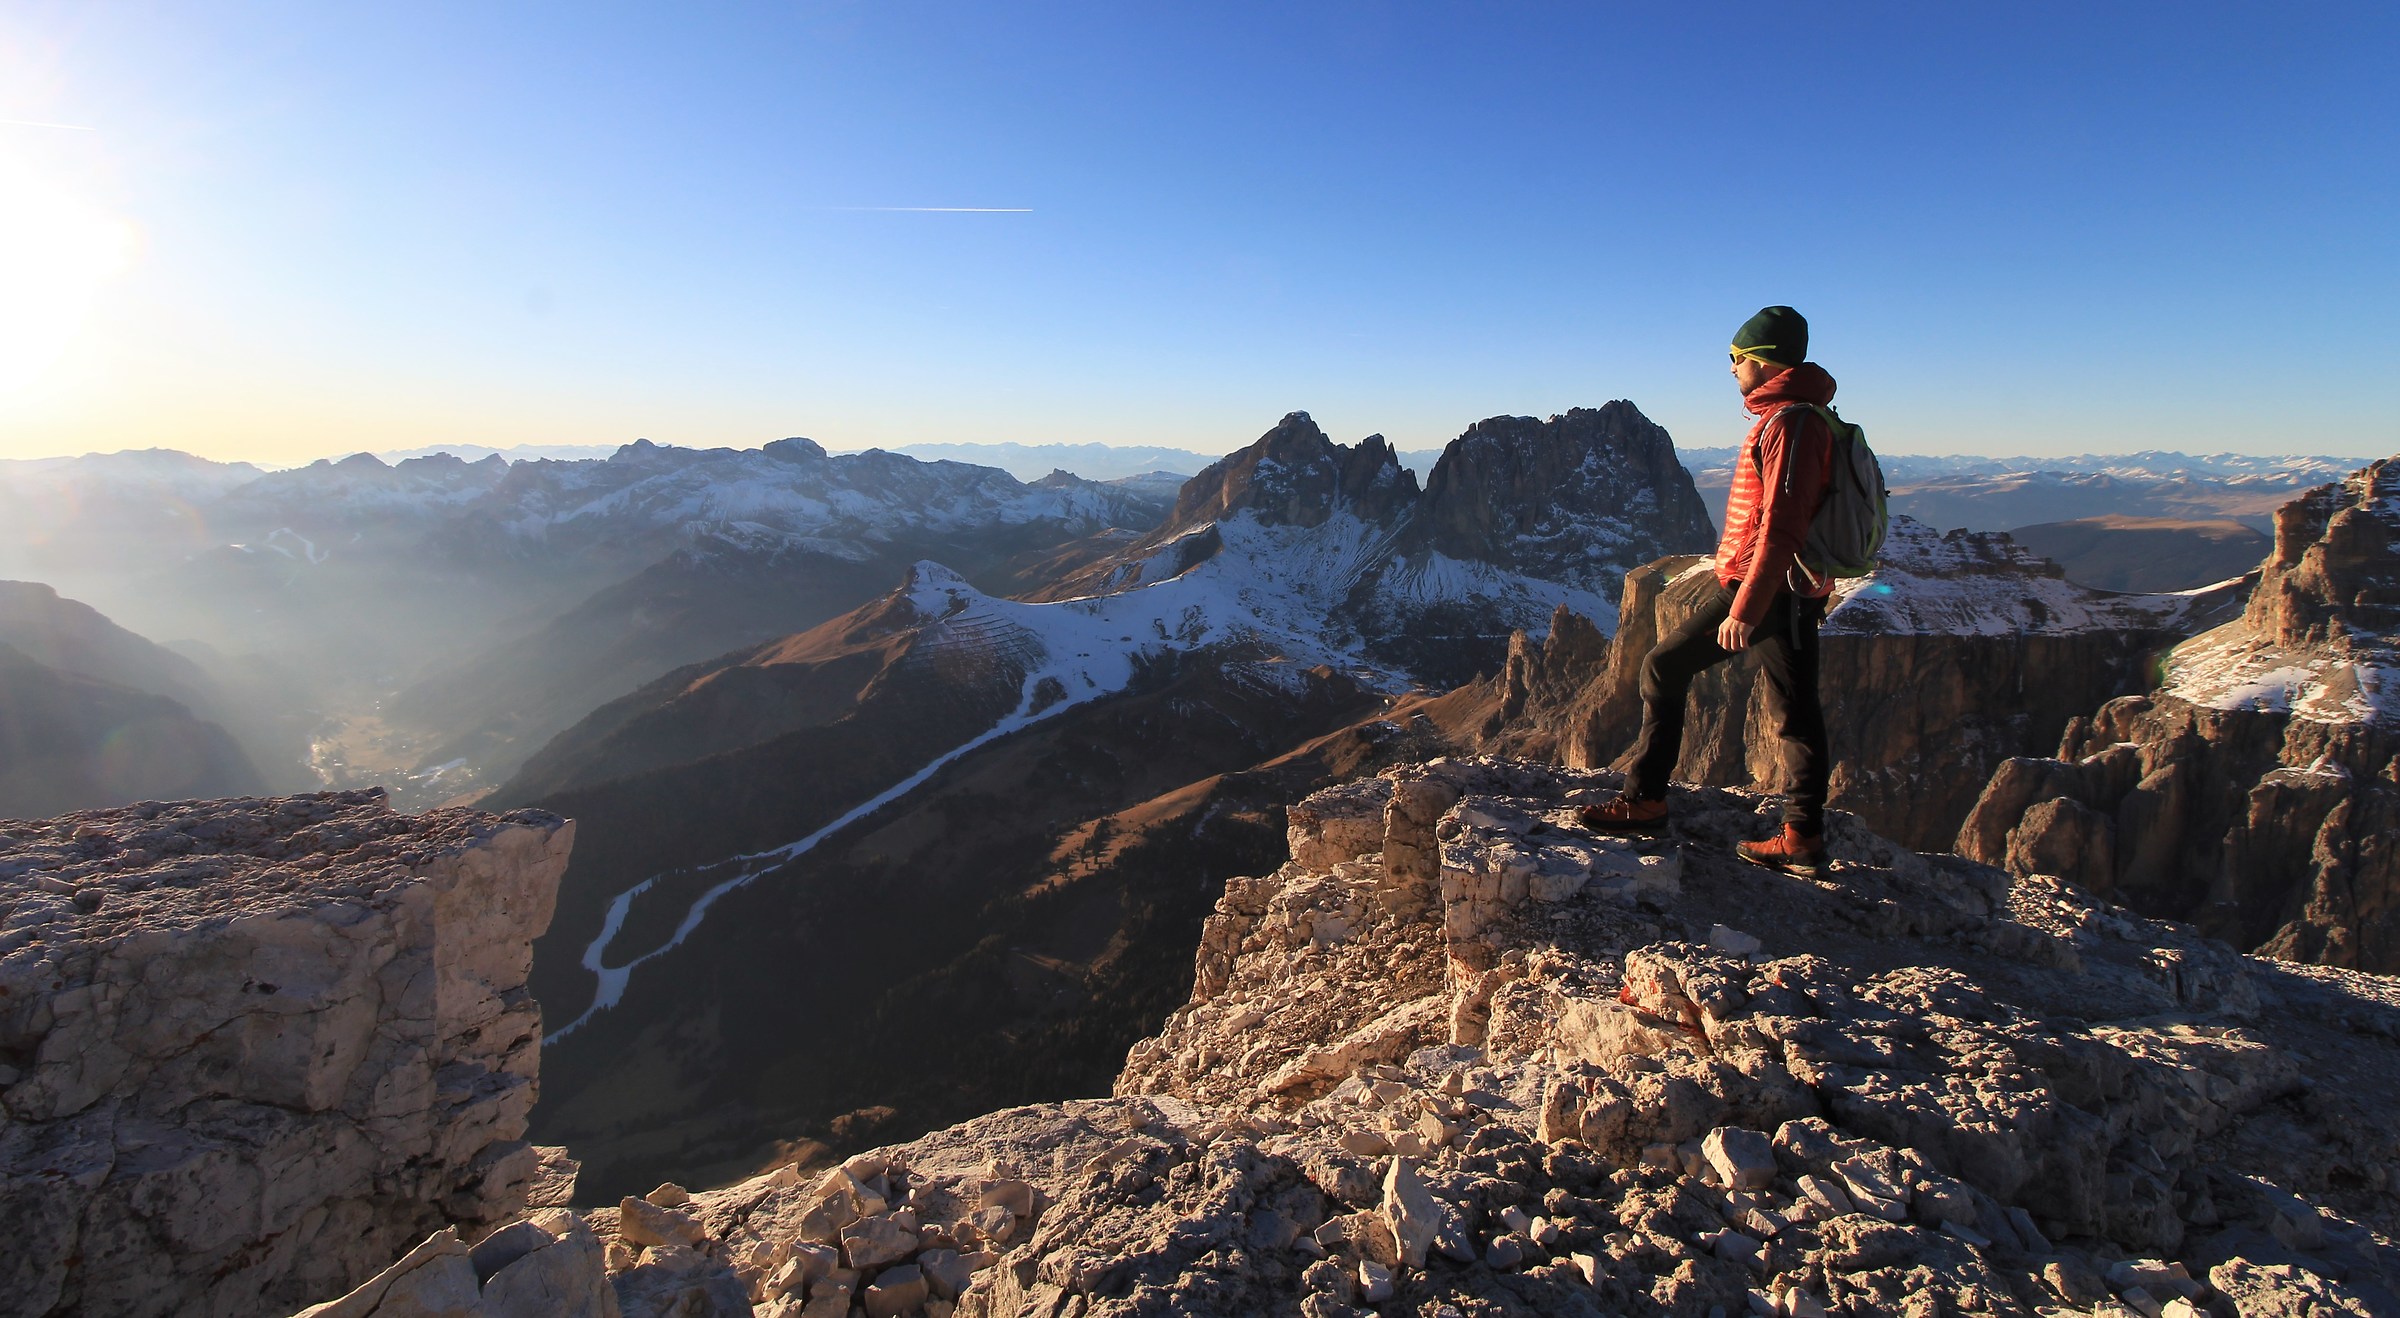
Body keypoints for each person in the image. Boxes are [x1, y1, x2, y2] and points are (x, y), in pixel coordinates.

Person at [1579, 305, 1836, 874]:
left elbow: (1782, 525)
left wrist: (1746, 606)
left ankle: (1646, 801)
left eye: (1736, 359)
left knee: (1663, 668)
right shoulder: (1794, 417)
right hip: (1783, 590)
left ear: (1762, 361)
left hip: (1765, 588)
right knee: (1794, 708)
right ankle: (1803, 836)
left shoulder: (1791, 422)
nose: (1731, 370)